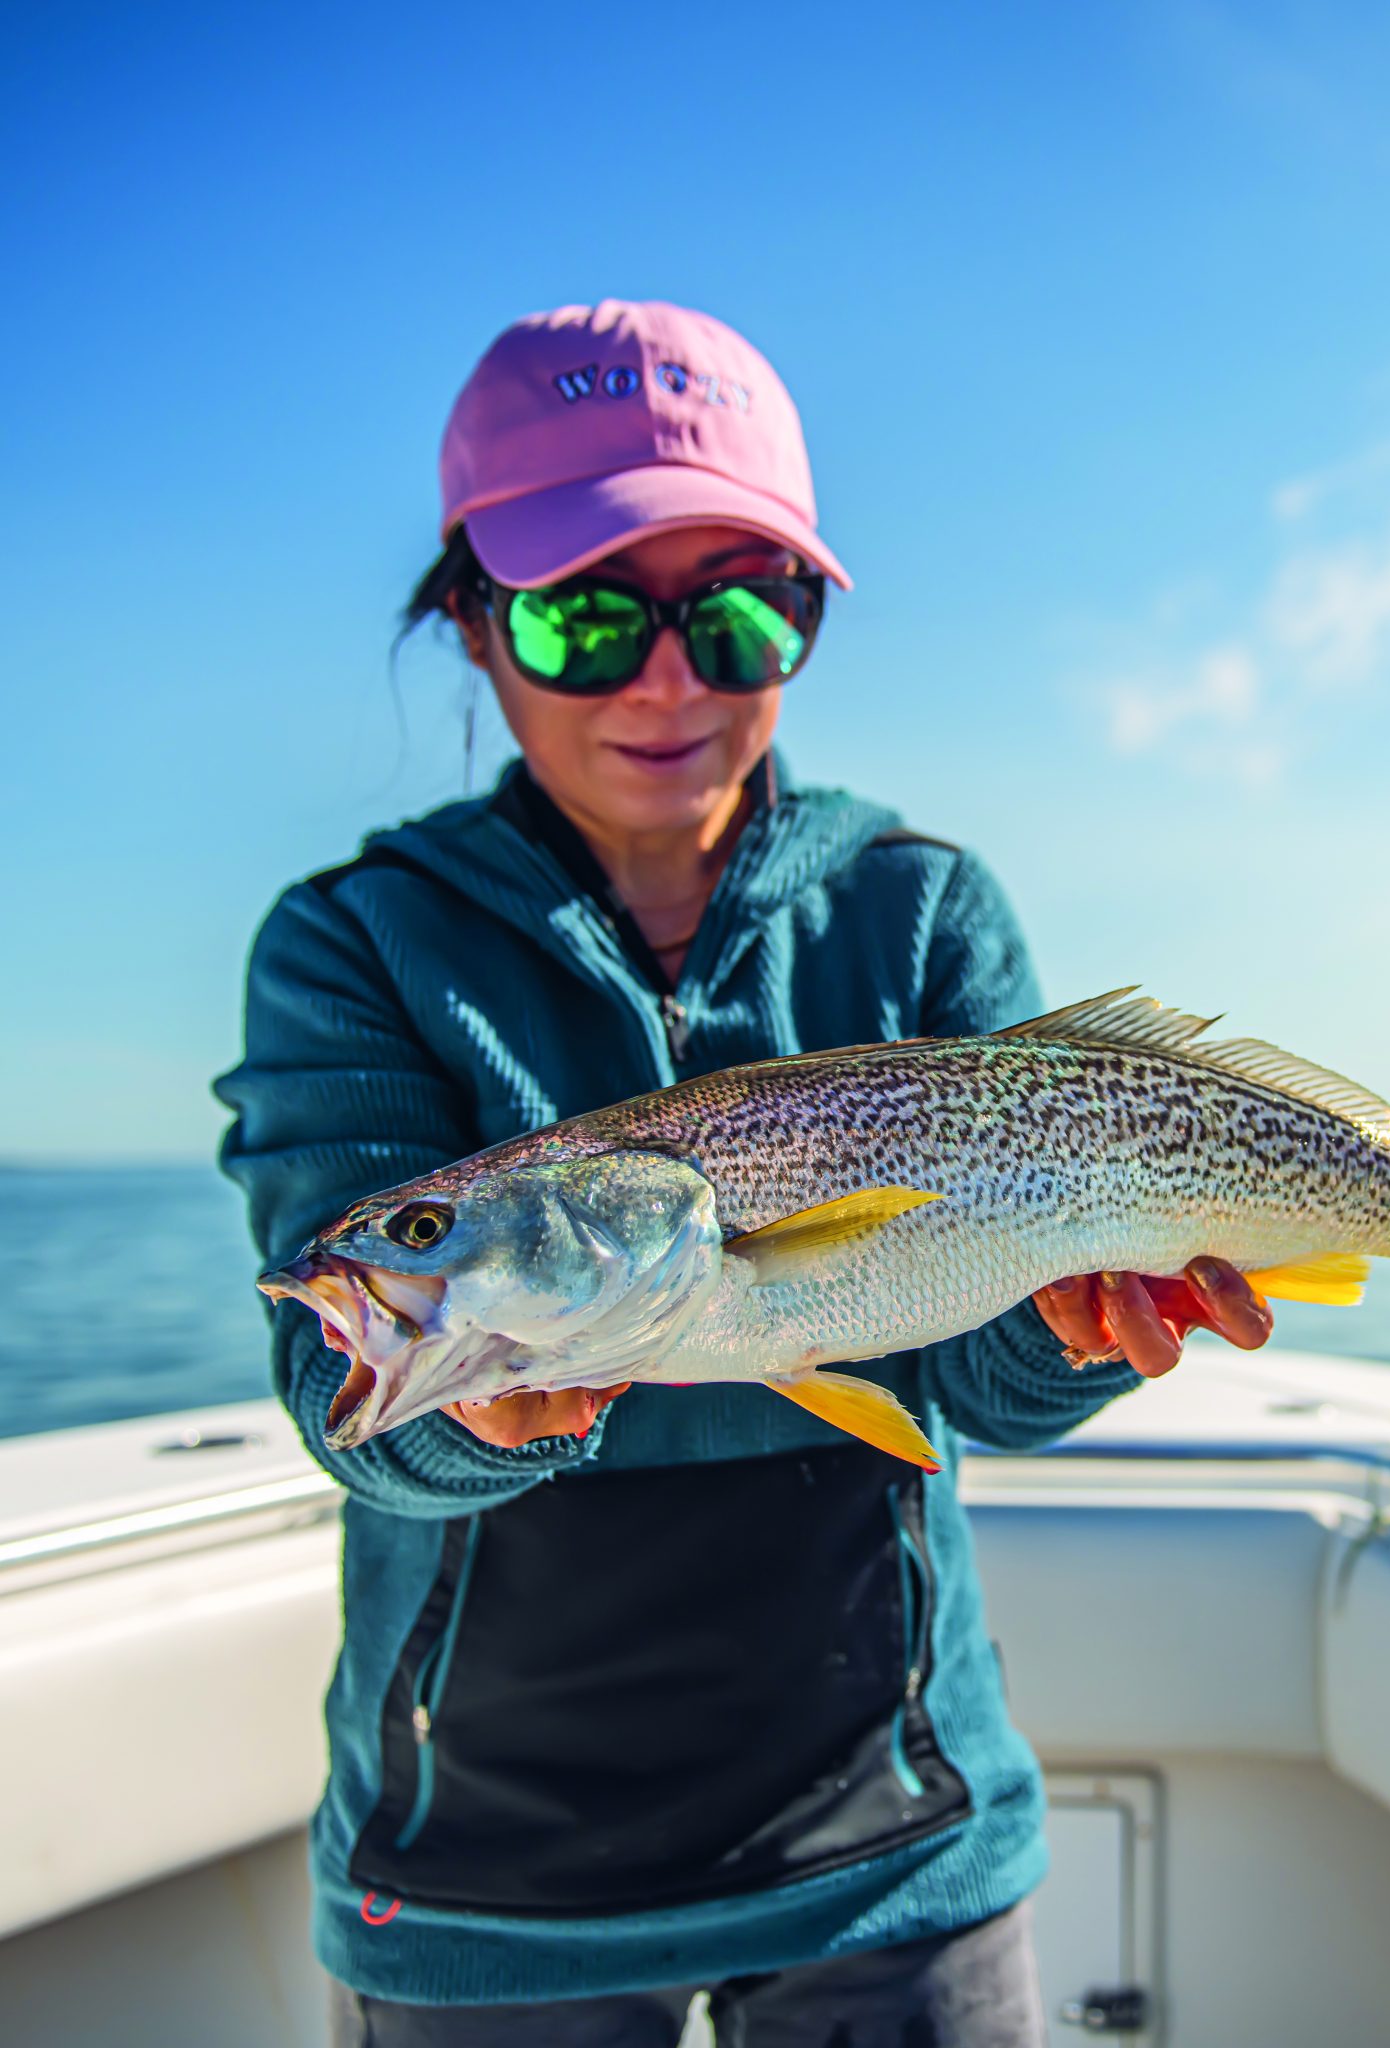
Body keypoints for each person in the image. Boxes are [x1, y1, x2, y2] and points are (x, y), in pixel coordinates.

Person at [216, 299, 1274, 2046]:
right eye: (582, 612)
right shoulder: (355, 945)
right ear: (474, 621)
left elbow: (976, 1377)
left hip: (895, 1842)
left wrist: (1067, 1333)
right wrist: (447, 1416)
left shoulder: (922, 910)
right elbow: (351, 1397)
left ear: (802, 619)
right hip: (485, 1883)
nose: (666, 680)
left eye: (736, 611)